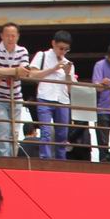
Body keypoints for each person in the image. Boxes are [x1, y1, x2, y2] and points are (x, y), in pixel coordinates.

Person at [27, 30, 77, 160]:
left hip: (63, 100)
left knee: (62, 135)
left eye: (66, 49)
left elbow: (71, 88)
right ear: (53, 44)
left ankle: (61, 161)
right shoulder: (42, 55)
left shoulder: (69, 63)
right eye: (61, 48)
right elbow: (32, 75)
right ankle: (45, 159)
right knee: (46, 131)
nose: (63, 52)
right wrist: (54, 68)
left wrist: (67, 73)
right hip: (45, 97)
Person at [0, 23, 31, 157]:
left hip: (15, 96)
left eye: (13, 36)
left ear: (17, 37)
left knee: (15, 132)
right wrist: (15, 71)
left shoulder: (22, 51)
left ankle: (13, 159)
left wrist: (3, 73)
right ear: (1, 36)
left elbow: (24, 72)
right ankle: (5, 160)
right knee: (3, 128)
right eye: (7, 36)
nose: (10, 39)